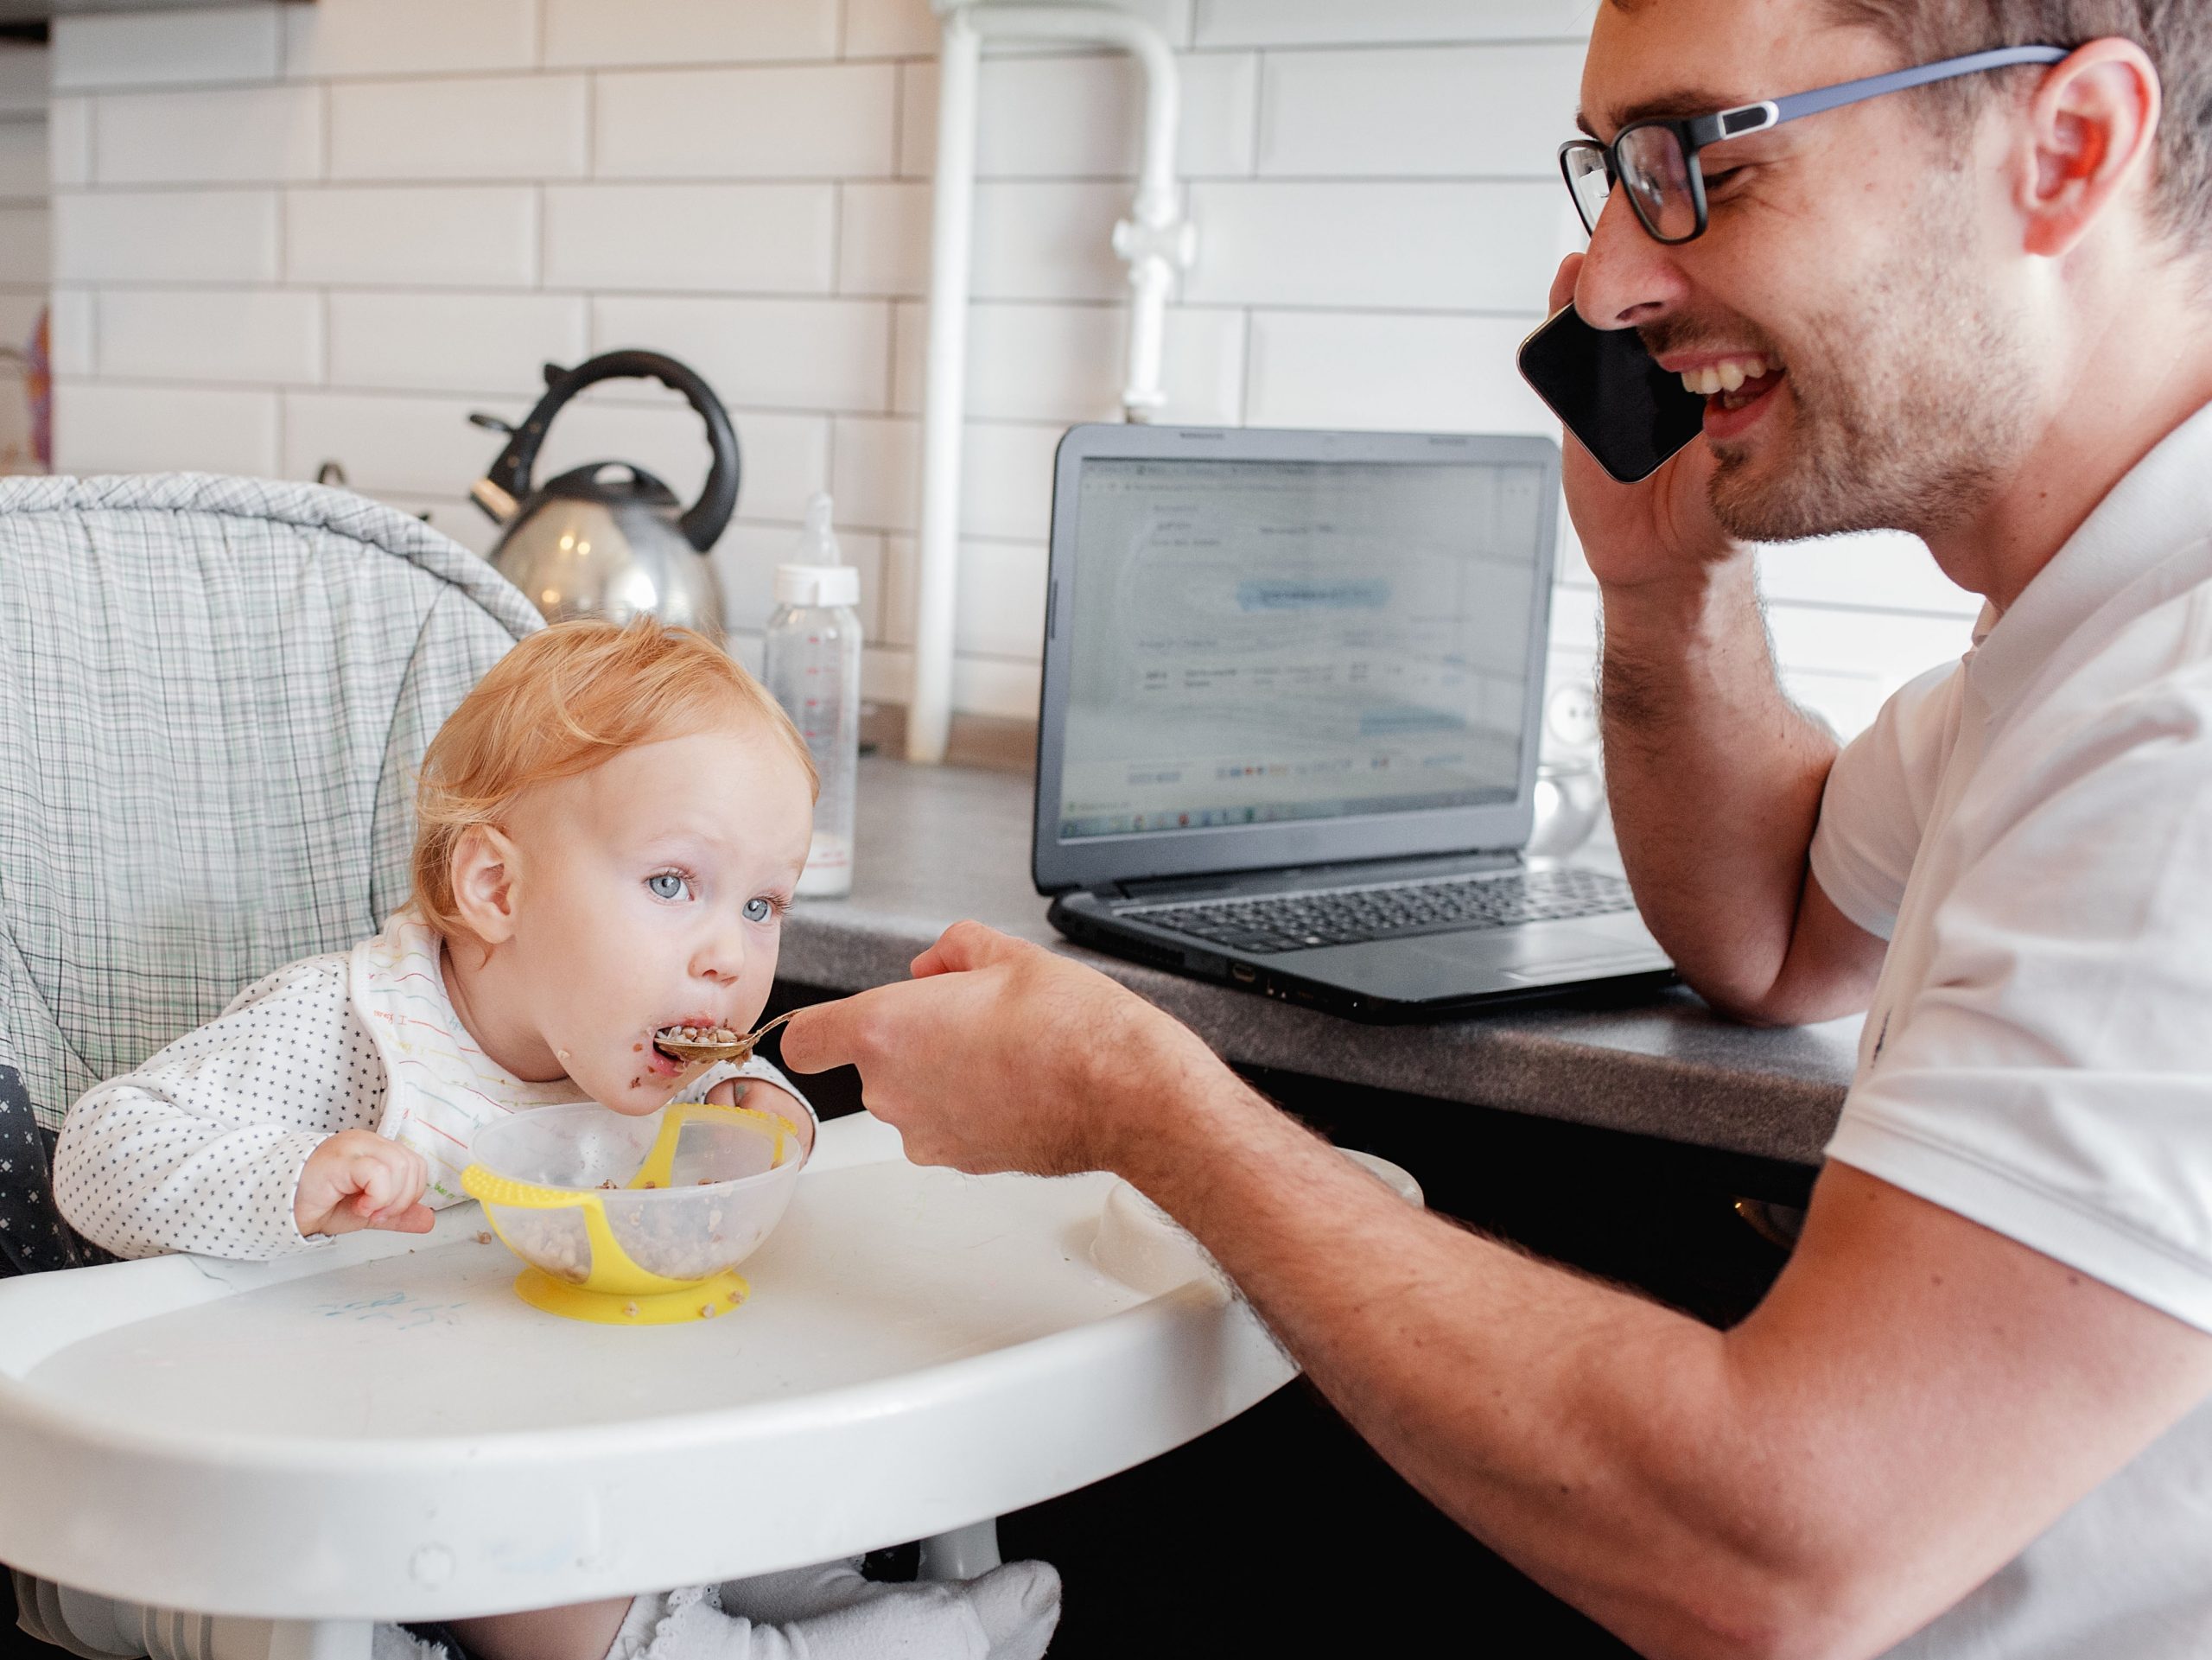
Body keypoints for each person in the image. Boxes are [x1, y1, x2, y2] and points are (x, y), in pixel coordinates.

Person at [778, 4, 2212, 1656]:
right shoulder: (2078, 641)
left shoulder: (2172, 735)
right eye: (1609, 174)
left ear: (2069, 151)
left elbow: (1779, 1553)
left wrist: (1142, 1101)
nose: (1606, 282)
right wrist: (1661, 581)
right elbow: (1776, 931)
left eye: (1701, 166)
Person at [52, 621, 1059, 1660]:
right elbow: (98, 1149)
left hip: (620, 1426)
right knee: (555, 1598)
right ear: (498, 890)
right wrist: (294, 1174)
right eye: (674, 884)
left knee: (749, 1482)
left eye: (761, 904)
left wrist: (770, 1115)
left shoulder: (672, 1055)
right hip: (405, 1478)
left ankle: (814, 1590)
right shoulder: (355, 1031)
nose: (727, 955)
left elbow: (740, 1090)